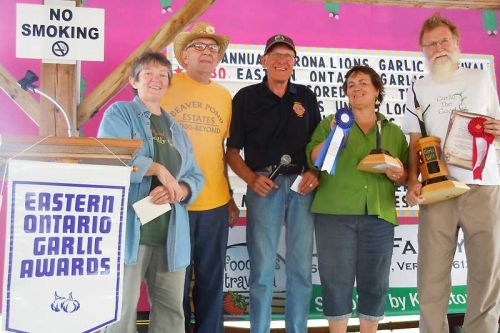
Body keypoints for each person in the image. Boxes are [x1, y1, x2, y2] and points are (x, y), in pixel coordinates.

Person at [403, 13, 500, 333]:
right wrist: (412, 180)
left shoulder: (482, 79)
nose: (438, 48)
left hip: (483, 186)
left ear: (457, 43)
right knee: (431, 276)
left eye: (444, 41)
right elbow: (415, 141)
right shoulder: (417, 88)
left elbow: (496, 126)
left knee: (486, 275)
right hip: (438, 189)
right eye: (430, 44)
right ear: (422, 50)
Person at [98, 51, 204, 333]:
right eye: (148, 74)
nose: (156, 80)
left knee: (172, 312)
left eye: (162, 75)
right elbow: (113, 156)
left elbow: (196, 175)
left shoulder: (177, 130)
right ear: (134, 80)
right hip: (131, 233)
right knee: (120, 312)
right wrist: (156, 168)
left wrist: (179, 189)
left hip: (171, 233)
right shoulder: (120, 113)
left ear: (168, 83)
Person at [226, 34, 321, 333]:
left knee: (301, 270)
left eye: (288, 56)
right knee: (263, 270)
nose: (281, 61)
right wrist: (252, 179)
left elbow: (319, 145)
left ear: (294, 63)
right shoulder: (245, 97)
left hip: (302, 189)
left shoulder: (305, 96)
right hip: (263, 185)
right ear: (263, 61)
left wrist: (315, 173)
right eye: (275, 55)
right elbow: (231, 152)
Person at [306, 65, 408, 333]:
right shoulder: (331, 122)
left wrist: (398, 173)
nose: (356, 88)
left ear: (377, 90)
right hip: (334, 214)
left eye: (363, 82)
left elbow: (404, 175)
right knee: (335, 281)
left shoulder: (394, 132)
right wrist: (333, 135)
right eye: (350, 84)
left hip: (379, 215)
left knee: (375, 282)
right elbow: (315, 160)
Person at [160, 22, 239, 333]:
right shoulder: (165, 86)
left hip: (215, 203)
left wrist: (230, 197)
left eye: (213, 48)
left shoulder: (224, 97)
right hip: (171, 201)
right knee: (173, 279)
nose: (207, 52)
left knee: (211, 277)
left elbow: (223, 153)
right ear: (184, 55)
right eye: (199, 47)